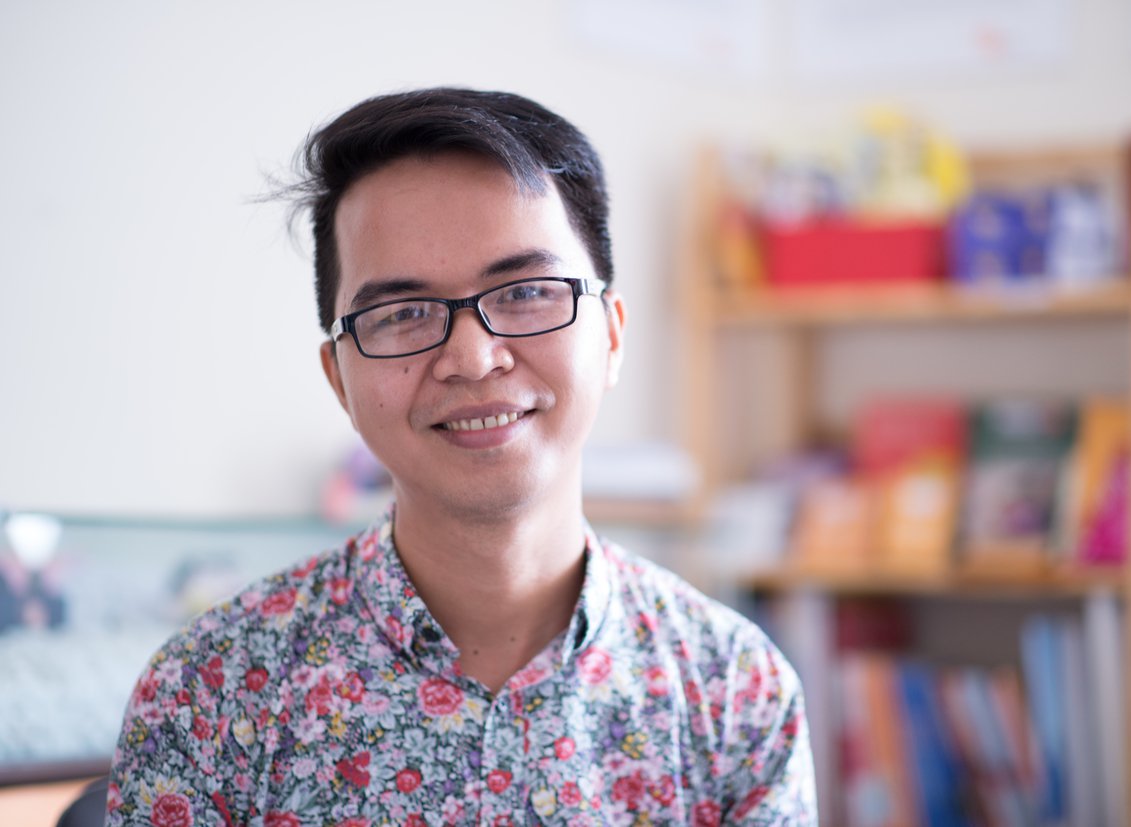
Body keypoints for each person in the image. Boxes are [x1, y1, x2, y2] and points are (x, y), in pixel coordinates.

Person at [107, 88, 817, 826]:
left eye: (527, 291)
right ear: (338, 378)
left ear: (610, 335)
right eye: (403, 312)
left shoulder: (735, 689)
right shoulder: (210, 694)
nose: (473, 358)